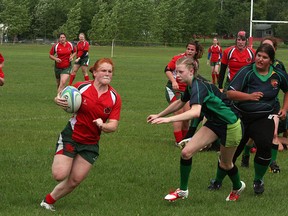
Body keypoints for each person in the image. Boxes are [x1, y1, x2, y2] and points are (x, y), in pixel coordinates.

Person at [148, 57, 245, 202]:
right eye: (176, 72)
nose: (177, 75)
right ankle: (183, 191)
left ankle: (238, 187)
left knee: (226, 164)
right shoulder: (191, 84)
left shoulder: (198, 86)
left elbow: (195, 112)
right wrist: (159, 114)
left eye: (180, 72)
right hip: (214, 123)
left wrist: (168, 120)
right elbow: (181, 102)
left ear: (191, 71)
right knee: (186, 153)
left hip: (230, 125)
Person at [40, 58, 122, 211]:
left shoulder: (114, 97)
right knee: (59, 175)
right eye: (103, 70)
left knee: (75, 179)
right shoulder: (81, 87)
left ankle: (48, 201)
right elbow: (61, 96)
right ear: (95, 72)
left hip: (90, 143)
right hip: (71, 137)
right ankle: (64, 157)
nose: (107, 74)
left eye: (110, 71)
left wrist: (103, 125)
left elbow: (113, 126)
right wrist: (58, 100)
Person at [226, 44, 288, 195]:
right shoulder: (246, 71)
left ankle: (258, 179)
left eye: (264, 57)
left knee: (265, 145)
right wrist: (249, 97)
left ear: (271, 60)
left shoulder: (278, 74)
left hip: (264, 117)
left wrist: (284, 109)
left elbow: (287, 90)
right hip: (241, 116)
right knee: (230, 153)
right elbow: (229, 93)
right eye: (258, 55)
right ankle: (217, 180)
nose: (260, 59)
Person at [240, 36, 287, 173]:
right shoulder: (252, 67)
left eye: (270, 47)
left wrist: (284, 108)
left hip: (272, 107)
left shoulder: (279, 67)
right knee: (250, 136)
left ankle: (272, 163)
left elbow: (286, 86)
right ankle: (246, 154)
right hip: (252, 109)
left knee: (273, 135)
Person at [164, 41, 204, 145]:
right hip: (173, 89)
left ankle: (184, 140)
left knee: (187, 117)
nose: (189, 51)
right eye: (188, 49)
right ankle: (178, 141)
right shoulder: (178, 58)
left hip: (186, 91)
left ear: (196, 52)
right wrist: (173, 81)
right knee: (178, 113)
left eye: (192, 50)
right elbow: (167, 69)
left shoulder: (195, 63)